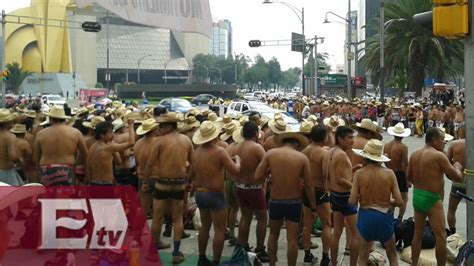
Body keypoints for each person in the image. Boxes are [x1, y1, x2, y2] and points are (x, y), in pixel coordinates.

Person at [254, 131, 317, 266]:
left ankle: (272, 264)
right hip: (293, 202)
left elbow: (257, 176)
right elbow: (309, 185)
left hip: (275, 200)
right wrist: (313, 206)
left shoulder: (271, 154)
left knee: (273, 235)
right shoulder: (301, 158)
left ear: (283, 142)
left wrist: (270, 173)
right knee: (292, 239)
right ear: (296, 143)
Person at [141, 112, 193, 264]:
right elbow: (193, 162)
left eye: (162, 126)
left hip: (162, 183)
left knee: (157, 217)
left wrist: (145, 181)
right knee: (178, 219)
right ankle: (176, 253)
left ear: (170, 126)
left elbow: (150, 164)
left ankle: (152, 252)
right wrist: (190, 180)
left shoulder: (160, 141)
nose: (159, 128)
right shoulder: (186, 141)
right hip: (179, 184)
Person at [407, 127, 464, 265]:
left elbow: (408, 176)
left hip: (418, 194)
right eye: (442, 140)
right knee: (441, 237)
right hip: (432, 198)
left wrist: (422, 185)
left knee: (418, 234)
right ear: (434, 140)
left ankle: (414, 263)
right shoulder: (439, 156)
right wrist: (457, 166)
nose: (444, 143)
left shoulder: (415, 154)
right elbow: (457, 177)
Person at [190, 121, 241, 266]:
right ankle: (216, 261)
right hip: (216, 194)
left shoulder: (196, 152)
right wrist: (237, 160)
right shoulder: (219, 151)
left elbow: (191, 174)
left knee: (205, 227)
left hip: (200, 194)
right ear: (215, 136)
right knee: (219, 229)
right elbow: (235, 171)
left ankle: (201, 257)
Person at [349, 139, 403, 265]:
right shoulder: (389, 174)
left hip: (365, 217)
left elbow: (352, 202)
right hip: (384, 217)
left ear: (364, 157)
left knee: (362, 256)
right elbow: (400, 201)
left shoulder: (359, 174)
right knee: (392, 255)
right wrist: (387, 201)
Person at [231, 121, 269, 262]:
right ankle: (260, 249)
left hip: (240, 186)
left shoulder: (237, 147)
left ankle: (242, 246)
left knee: (245, 217)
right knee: (262, 219)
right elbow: (266, 166)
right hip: (255, 188)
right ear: (255, 134)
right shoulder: (257, 148)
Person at [324, 126, 360, 266]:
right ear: (340, 139)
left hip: (335, 194)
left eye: (352, 137)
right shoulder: (341, 154)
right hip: (345, 196)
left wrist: (352, 170)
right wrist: (356, 189)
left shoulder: (332, 151)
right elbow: (340, 179)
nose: (352, 141)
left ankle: (333, 263)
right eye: (349, 138)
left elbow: (335, 174)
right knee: (357, 233)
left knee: (337, 230)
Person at [301, 125, 332, 265]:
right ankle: (325, 257)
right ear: (323, 137)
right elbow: (326, 173)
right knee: (326, 224)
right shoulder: (324, 153)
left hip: (306, 190)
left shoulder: (304, 151)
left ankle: (307, 254)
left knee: (307, 224)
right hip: (320, 191)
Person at [33, 106, 88, 186]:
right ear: (64, 119)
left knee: (49, 197)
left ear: (50, 118)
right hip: (66, 169)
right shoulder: (75, 133)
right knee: (66, 196)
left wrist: (39, 170)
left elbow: (35, 157)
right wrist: (87, 171)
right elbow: (85, 154)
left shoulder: (41, 134)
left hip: (47, 169)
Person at [87, 120, 135, 186]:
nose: (112, 134)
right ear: (102, 135)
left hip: (94, 182)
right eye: (109, 132)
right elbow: (131, 142)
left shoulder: (92, 148)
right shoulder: (109, 147)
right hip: (106, 183)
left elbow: (118, 161)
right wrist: (131, 125)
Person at [134, 118, 160, 218]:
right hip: (157, 177)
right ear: (154, 130)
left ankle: (138, 231)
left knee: (143, 208)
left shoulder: (138, 144)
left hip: (142, 176)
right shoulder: (159, 142)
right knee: (158, 211)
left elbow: (137, 164)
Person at [384, 122, 410, 221]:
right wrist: (407, 179)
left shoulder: (387, 145)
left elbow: (385, 160)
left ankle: (390, 216)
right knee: (403, 198)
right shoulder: (403, 147)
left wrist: (389, 167)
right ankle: (399, 218)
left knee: (391, 196)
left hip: (389, 171)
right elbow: (405, 164)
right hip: (400, 174)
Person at [446, 136, 466, 235]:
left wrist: (451, 175)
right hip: (471, 180)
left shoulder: (454, 144)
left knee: (452, 209)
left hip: (458, 181)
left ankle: (452, 233)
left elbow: (447, 162)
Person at [0, 110, 23, 185]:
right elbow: (12, 156)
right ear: (7, 123)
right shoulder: (9, 137)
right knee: (12, 194)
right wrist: (20, 160)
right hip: (5, 171)